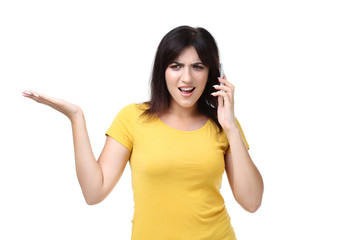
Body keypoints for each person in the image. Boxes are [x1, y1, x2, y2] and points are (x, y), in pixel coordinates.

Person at [22, 25, 264, 240]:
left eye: (198, 67)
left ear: (213, 74)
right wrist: (76, 117)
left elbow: (252, 202)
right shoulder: (133, 118)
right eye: (176, 66)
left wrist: (231, 128)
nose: (187, 77)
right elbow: (94, 192)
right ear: (162, 70)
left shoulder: (225, 124)